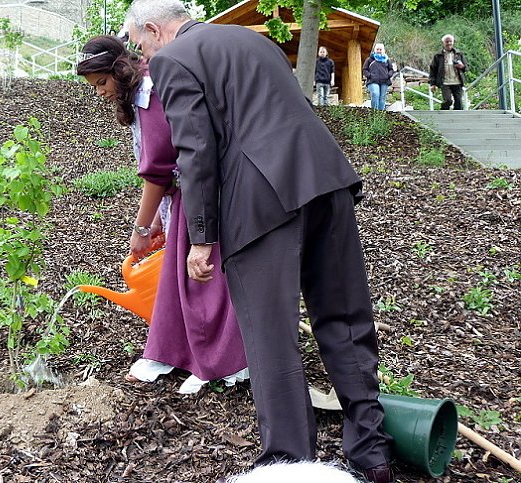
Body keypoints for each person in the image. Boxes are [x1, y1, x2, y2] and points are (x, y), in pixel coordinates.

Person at [124, 1, 395, 482]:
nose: (142, 55)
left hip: (261, 200)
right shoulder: (254, 39)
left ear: (152, 28)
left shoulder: (172, 59)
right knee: (345, 317)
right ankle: (372, 455)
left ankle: (290, 463)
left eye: (140, 44)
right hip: (324, 178)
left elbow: (196, 150)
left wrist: (201, 240)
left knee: (271, 336)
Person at [76, 35, 249, 395]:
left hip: (201, 190)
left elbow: (158, 168)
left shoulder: (151, 93)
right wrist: (157, 220)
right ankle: (168, 350)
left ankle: (224, 363)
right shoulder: (140, 96)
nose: (100, 92)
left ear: (119, 71)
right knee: (176, 274)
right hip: (185, 192)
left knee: (203, 276)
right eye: (94, 87)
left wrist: (141, 227)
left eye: (102, 83)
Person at [429, 34, 467, 110]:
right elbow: (433, 69)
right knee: (448, 100)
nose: (449, 43)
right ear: (443, 43)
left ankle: (457, 119)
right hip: (445, 82)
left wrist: (462, 66)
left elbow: (466, 67)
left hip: (457, 82)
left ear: (453, 42)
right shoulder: (438, 56)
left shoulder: (459, 54)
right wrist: (432, 84)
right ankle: (442, 114)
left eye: (450, 41)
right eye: (447, 42)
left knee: (459, 102)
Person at [362, 43, 394, 110]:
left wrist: (388, 75)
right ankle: (374, 111)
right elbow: (364, 69)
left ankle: (380, 113)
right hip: (372, 80)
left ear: (383, 50)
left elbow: (391, 69)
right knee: (375, 94)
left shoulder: (387, 60)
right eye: (377, 49)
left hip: (384, 81)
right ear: (375, 50)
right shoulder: (370, 59)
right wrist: (370, 75)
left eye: (380, 49)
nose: (379, 51)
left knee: (382, 97)